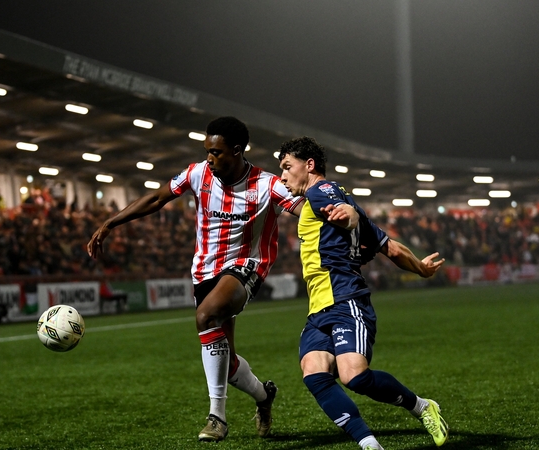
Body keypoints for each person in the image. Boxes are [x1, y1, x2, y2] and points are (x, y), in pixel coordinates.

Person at [87, 116, 303, 442]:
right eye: (207, 151)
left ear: (237, 150)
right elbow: (158, 198)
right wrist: (111, 222)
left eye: (217, 152)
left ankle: (217, 418)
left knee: (205, 315)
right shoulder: (198, 173)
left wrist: (338, 214)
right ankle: (263, 396)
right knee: (226, 363)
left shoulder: (267, 185)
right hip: (204, 271)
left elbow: (304, 209)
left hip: (247, 266)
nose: (210, 158)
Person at [277, 136, 448, 450]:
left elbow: (342, 208)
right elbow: (391, 248)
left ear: (309, 165)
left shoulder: (320, 192)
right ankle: (370, 445)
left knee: (354, 376)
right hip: (319, 309)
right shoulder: (334, 202)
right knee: (313, 372)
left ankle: (422, 406)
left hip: (345, 300)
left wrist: (349, 215)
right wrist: (421, 269)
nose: (283, 176)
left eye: (288, 167)